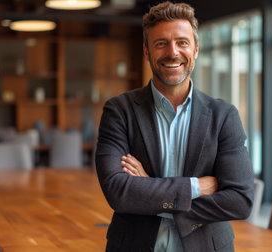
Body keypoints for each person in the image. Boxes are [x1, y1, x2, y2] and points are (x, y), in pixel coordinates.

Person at [95, 1, 254, 251]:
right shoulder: (119, 111)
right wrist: (196, 187)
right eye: (161, 43)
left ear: (196, 49)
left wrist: (151, 190)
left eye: (182, 42)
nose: (173, 52)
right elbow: (118, 191)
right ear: (147, 52)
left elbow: (240, 201)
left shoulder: (224, 115)